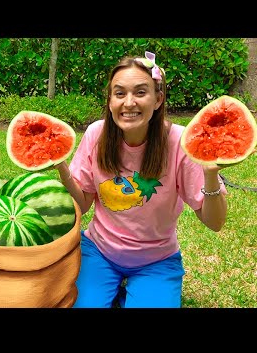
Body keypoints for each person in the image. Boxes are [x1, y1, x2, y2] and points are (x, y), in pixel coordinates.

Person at [55, 51, 228, 308]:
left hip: (156, 260)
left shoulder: (180, 142)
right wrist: (61, 166)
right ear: (110, 100)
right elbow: (81, 206)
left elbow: (215, 222)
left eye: (140, 92)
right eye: (120, 93)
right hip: (99, 251)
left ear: (158, 99)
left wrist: (211, 174)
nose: (129, 103)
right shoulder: (96, 134)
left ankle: (135, 291)